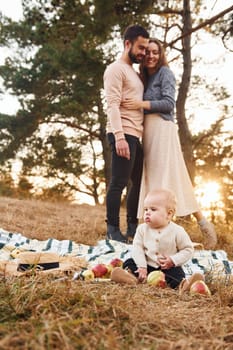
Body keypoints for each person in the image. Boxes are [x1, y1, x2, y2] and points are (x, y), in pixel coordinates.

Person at [121, 38, 217, 250]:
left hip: (163, 131)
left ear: (161, 54)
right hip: (148, 133)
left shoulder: (165, 73)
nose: (152, 56)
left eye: (156, 52)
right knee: (152, 180)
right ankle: (152, 232)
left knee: (169, 179)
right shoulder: (144, 77)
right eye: (148, 53)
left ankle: (204, 225)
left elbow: (168, 104)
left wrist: (141, 104)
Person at [103, 25, 149, 242]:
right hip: (122, 133)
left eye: (146, 49)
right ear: (127, 43)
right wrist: (119, 136)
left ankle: (133, 228)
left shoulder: (135, 73)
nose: (143, 52)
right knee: (118, 183)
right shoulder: (115, 69)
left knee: (139, 183)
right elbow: (112, 105)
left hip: (134, 135)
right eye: (140, 47)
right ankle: (112, 230)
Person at [120, 188, 195, 289]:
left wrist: (173, 260)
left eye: (153, 209)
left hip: (166, 268)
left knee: (177, 274)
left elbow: (188, 249)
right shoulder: (142, 229)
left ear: (169, 214)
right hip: (146, 266)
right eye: (146, 209)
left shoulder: (177, 231)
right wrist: (141, 266)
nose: (147, 212)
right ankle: (131, 277)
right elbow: (137, 248)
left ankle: (184, 285)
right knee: (129, 262)